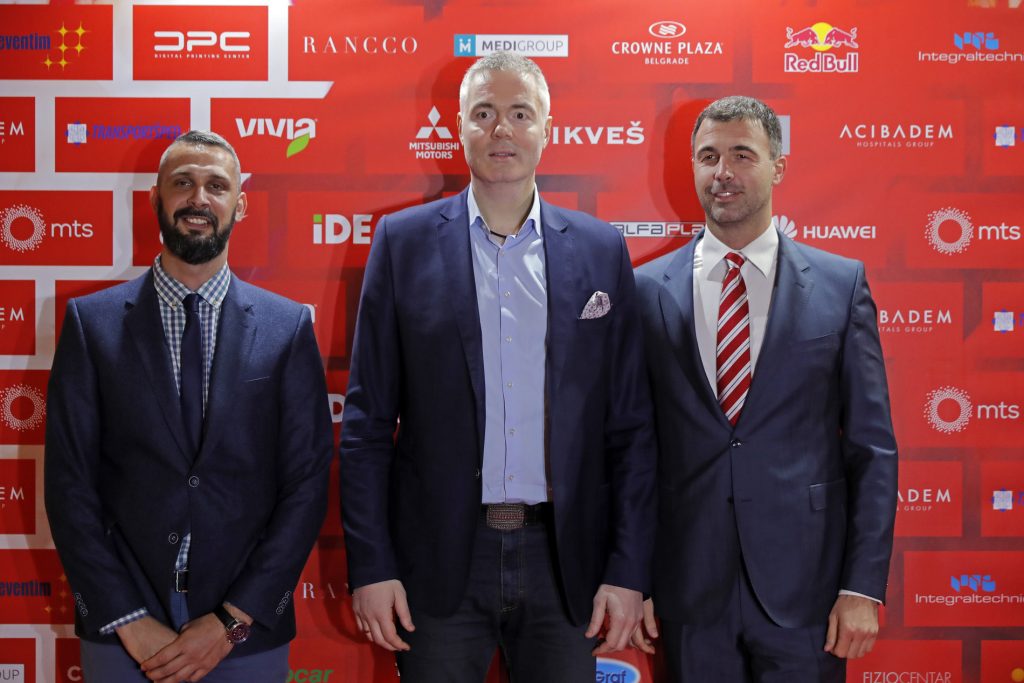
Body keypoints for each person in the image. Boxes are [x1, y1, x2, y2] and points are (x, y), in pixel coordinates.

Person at [339, 51, 656, 682]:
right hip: (438, 561)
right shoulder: (401, 244)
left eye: (519, 113)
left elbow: (630, 428)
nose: (501, 129)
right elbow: (367, 426)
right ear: (458, 127)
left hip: (566, 562)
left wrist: (628, 570)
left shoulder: (600, 250)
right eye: (483, 113)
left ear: (547, 128)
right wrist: (372, 567)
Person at [45, 130, 334, 683]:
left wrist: (232, 621)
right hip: (123, 631)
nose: (199, 198)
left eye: (216, 186)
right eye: (183, 183)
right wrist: (128, 621)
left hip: (244, 631)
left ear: (239, 205)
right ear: (156, 199)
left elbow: (306, 483)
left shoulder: (288, 327)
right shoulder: (91, 324)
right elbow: (68, 484)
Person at [632, 96, 898, 682]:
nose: (722, 172)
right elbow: (634, 449)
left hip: (809, 592)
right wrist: (634, 578)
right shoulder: (644, 290)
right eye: (708, 156)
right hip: (687, 589)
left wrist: (862, 586)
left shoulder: (840, 285)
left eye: (741, 155)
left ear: (778, 166)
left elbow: (872, 449)